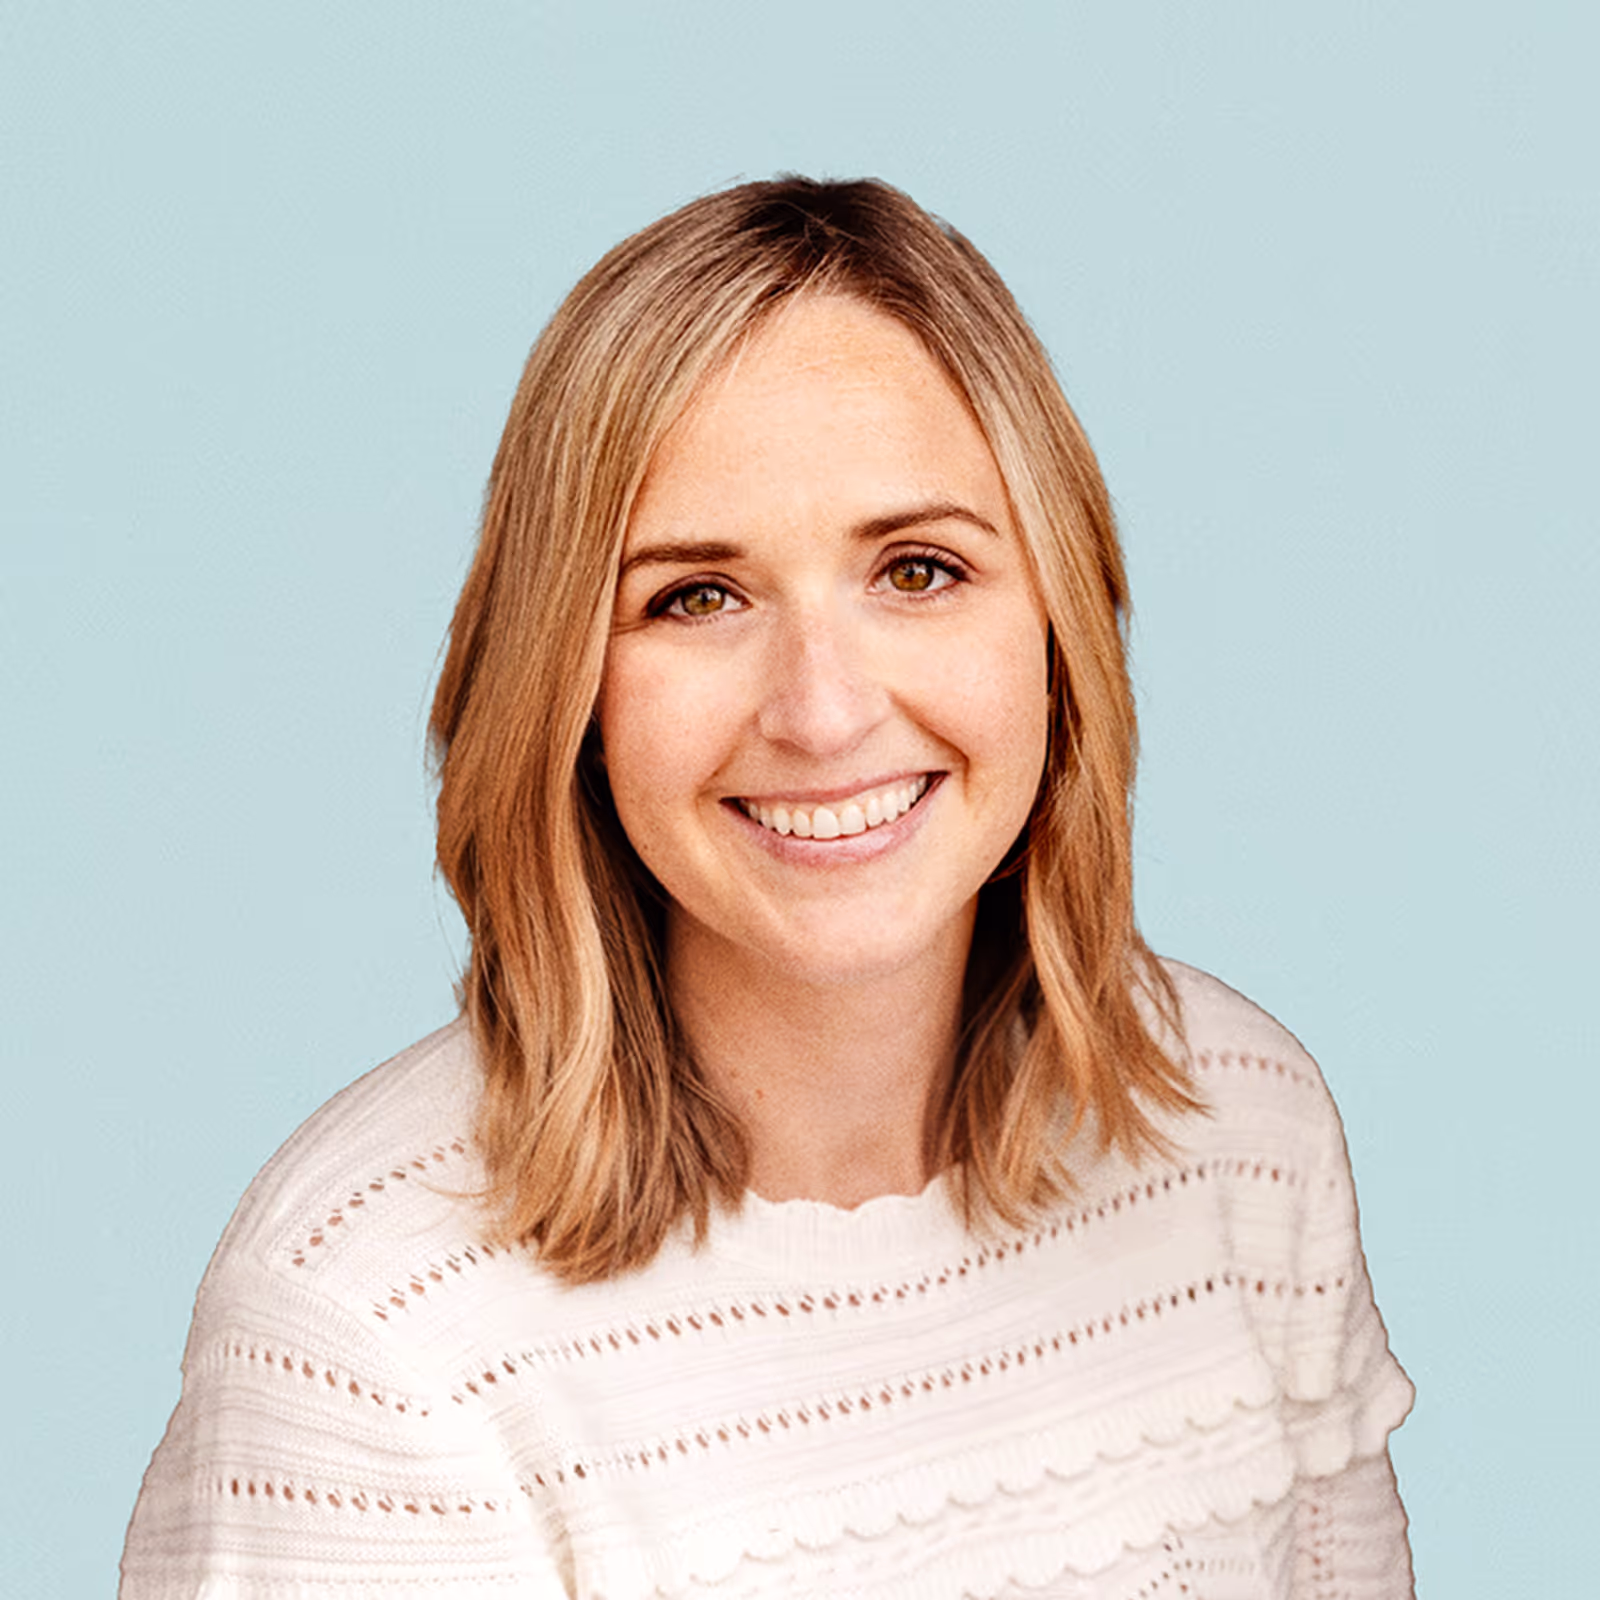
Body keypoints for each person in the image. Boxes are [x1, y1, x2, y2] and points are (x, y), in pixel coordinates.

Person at [120, 177, 1415, 1598]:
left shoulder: (1244, 1133)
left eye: (918, 570)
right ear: (569, 687)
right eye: (697, 596)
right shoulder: (371, 1322)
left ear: (1056, 620)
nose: (821, 711)